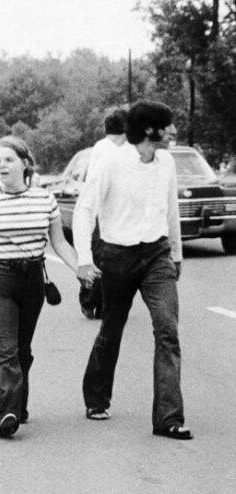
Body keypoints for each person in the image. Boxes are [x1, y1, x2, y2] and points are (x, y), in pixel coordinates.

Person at [73, 100, 191, 440]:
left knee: (167, 329)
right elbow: (85, 210)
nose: (174, 131)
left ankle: (168, 418)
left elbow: (171, 208)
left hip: (157, 255)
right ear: (150, 131)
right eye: (168, 126)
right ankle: (96, 398)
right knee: (112, 327)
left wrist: (176, 254)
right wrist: (84, 258)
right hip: (118, 256)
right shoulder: (111, 162)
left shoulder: (166, 162)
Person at [0, 136, 90, 437]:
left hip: (32, 280)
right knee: (6, 349)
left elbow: (59, 242)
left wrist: (80, 268)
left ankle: (18, 403)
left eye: (8, 159)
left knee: (22, 349)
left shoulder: (45, 199)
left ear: (25, 164)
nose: (1, 166)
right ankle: (6, 412)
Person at [79, 106, 128, 319]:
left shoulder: (99, 147)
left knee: (102, 258)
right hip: (104, 212)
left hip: (103, 211)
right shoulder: (111, 149)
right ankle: (92, 300)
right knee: (103, 258)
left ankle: (93, 300)